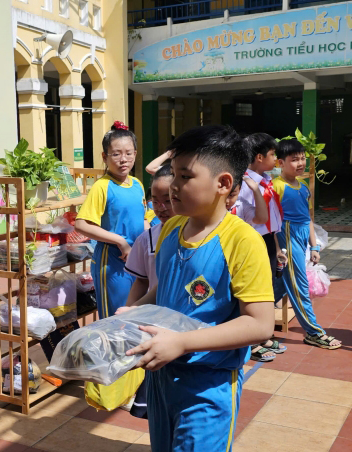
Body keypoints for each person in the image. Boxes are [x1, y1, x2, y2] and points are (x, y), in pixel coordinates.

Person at [117, 125, 275, 452]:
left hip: (208, 385)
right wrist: (137, 311)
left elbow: (260, 323)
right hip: (162, 376)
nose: (173, 186)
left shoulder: (243, 241)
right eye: (174, 174)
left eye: (185, 177)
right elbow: (165, 291)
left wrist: (183, 342)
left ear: (223, 183)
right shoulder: (170, 228)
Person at [274, 139, 342, 350]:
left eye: (302, 158)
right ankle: (314, 332)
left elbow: (307, 219)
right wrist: (278, 249)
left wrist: (314, 246)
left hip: (302, 239)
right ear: (280, 163)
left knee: (277, 287)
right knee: (299, 286)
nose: (300, 163)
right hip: (287, 240)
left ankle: (249, 324)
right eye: (294, 160)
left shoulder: (303, 187)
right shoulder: (277, 187)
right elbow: (273, 223)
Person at [75, 121, 146, 320]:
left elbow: (144, 219)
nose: (123, 159)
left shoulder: (137, 184)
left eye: (128, 153)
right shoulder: (102, 186)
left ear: (135, 153)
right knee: (115, 319)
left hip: (137, 261)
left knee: (135, 316)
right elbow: (81, 224)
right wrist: (120, 241)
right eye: (116, 154)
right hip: (112, 263)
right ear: (105, 157)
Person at [122, 163, 175, 418]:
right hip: (153, 321)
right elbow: (142, 281)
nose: (161, 207)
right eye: (155, 200)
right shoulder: (147, 239)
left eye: (168, 199)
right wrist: (130, 315)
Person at [227, 176, 283, 362]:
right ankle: (249, 343)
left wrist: (256, 190)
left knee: (244, 300)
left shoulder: (240, 205)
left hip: (241, 261)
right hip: (223, 261)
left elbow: (262, 218)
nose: (228, 200)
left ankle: (252, 340)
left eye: (233, 194)